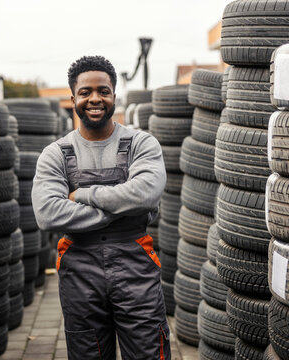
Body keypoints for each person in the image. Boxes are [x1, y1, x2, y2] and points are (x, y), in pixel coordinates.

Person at [32, 55, 170, 359]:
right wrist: (123, 205)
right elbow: (48, 213)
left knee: (149, 352)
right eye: (85, 92)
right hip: (79, 270)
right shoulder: (55, 154)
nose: (95, 98)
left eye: (103, 91)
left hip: (135, 266)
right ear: (73, 99)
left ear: (114, 96)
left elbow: (146, 193)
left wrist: (80, 195)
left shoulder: (141, 144)